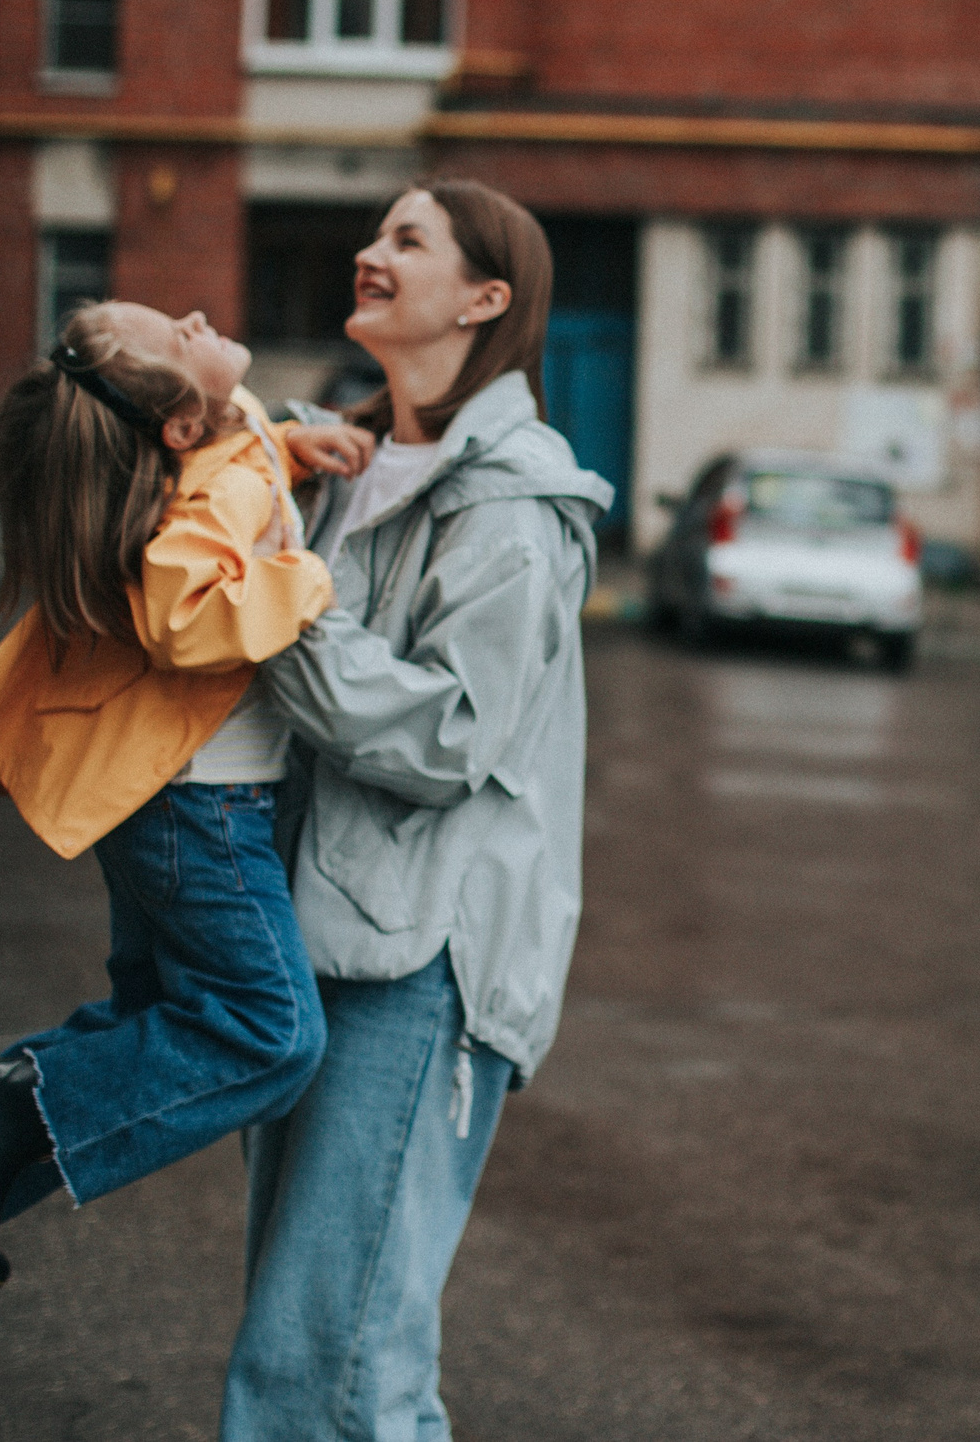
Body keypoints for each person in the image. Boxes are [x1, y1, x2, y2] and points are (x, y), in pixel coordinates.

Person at [0, 301, 378, 1294]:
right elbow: (184, 618)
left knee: (153, 1015)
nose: (195, 314)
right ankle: (3, 1110)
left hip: (169, 806)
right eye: (178, 334)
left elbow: (217, 469)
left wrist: (286, 442)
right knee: (272, 1036)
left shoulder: (214, 439)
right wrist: (305, 578)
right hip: (206, 812)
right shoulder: (216, 476)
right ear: (180, 425)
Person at [220, 180, 610, 1441]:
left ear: (484, 300)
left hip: (422, 962)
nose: (367, 254)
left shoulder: (508, 505)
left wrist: (278, 615)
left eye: (407, 240)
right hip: (316, 933)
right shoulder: (348, 463)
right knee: (317, 1342)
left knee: (326, 1363)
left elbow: (449, 733)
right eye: (375, 234)